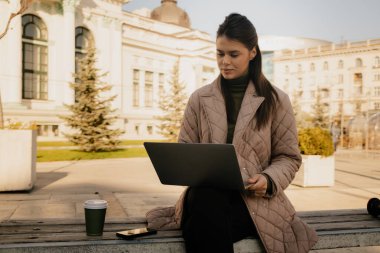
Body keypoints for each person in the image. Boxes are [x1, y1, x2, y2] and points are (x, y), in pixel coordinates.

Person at [146, 13, 318, 253]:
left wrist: (268, 180)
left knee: (204, 219)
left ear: (252, 53)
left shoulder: (276, 100)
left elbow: (288, 157)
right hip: (205, 197)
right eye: (220, 53)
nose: (224, 61)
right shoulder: (199, 98)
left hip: (253, 204)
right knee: (207, 198)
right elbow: (185, 149)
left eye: (233, 54)